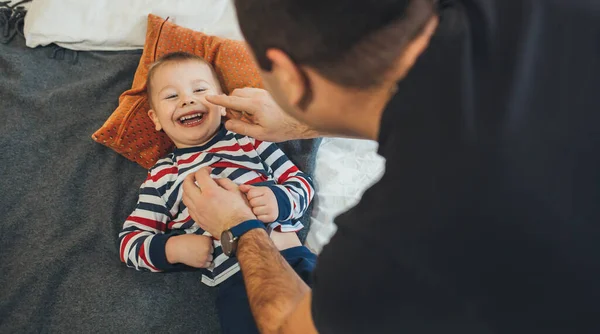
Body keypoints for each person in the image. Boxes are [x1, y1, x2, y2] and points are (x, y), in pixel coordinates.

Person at [182, 0, 600, 333]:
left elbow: (291, 326)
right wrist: (301, 120)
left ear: (290, 76)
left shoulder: (394, 243)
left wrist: (239, 229)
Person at [118, 51, 317, 334]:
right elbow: (130, 243)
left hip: (296, 258)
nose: (188, 99)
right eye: (171, 96)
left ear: (222, 104)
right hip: (237, 285)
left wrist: (279, 200)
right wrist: (173, 249)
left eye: (199, 90)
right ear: (155, 118)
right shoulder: (162, 174)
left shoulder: (250, 141)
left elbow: (301, 183)